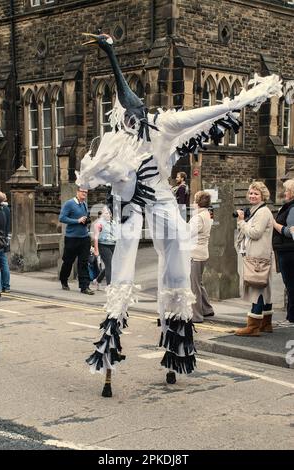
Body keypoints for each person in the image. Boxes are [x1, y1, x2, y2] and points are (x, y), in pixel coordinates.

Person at [78, 32, 282, 397]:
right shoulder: (119, 141)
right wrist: (111, 55)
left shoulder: (161, 126)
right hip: (131, 207)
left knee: (175, 270)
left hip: (161, 204)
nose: (127, 119)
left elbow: (208, 112)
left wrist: (247, 98)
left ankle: (174, 343)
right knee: (122, 268)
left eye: (131, 114)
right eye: (125, 116)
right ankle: (113, 341)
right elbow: (98, 171)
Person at [235, 181, 274, 336]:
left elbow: (256, 233)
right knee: (264, 289)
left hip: (258, 257)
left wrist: (241, 222)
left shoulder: (263, 212)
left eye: (256, 193)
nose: (252, 196)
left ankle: (253, 327)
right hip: (258, 256)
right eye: (251, 193)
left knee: (256, 288)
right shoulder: (257, 210)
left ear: (262, 196)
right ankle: (266, 323)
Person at [59, 187, 94, 295]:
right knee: (68, 261)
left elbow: (83, 218)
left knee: (83, 262)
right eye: (82, 192)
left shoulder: (84, 204)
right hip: (72, 238)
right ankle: (64, 280)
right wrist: (77, 221)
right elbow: (62, 218)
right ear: (77, 192)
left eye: (86, 192)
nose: (84, 194)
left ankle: (85, 286)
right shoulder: (69, 204)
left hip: (84, 238)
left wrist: (86, 220)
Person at [189, 191, 214, 323]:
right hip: (203, 253)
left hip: (195, 254)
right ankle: (207, 309)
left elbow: (187, 233)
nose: (192, 203)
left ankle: (196, 315)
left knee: (194, 286)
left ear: (197, 203)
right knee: (199, 283)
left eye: (194, 201)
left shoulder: (198, 218)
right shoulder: (207, 215)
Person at [272, 178, 294, 325]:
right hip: (285, 251)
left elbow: (291, 232)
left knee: (291, 285)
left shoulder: (292, 208)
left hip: (288, 252)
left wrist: (275, 224)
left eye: (287, 190)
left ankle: (291, 318)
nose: (284, 192)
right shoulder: (288, 206)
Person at [93, 206, 116, 287]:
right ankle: (110, 286)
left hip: (113, 245)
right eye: (106, 213)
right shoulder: (98, 224)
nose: (108, 215)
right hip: (103, 245)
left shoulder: (114, 223)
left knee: (110, 265)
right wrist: (96, 250)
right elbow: (95, 237)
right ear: (102, 214)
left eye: (109, 213)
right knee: (109, 264)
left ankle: (97, 280)